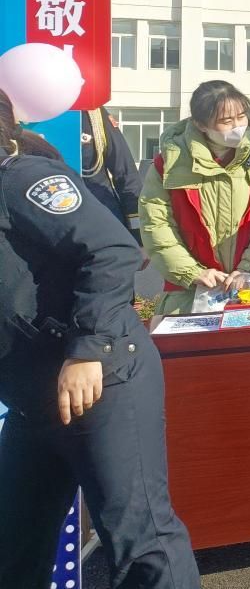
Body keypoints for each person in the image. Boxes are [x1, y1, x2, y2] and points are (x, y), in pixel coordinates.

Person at [0, 90, 200, 588]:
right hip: (31, 398)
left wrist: (89, 348)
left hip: (101, 380)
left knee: (140, 542)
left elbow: (112, 250)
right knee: (13, 545)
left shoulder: (23, 180)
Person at [139, 81, 250, 316]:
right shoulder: (170, 162)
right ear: (201, 124)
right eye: (226, 121)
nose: (237, 127)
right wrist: (192, 272)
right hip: (189, 294)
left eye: (241, 117)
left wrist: (248, 269)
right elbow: (156, 224)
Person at [81, 106, 143, 244]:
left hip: (100, 223)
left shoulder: (93, 114)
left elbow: (126, 174)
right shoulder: (31, 116)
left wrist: (138, 236)